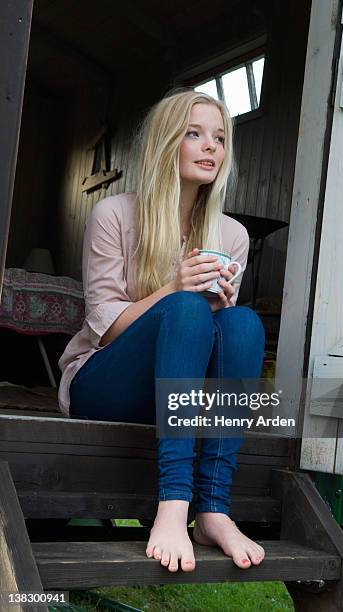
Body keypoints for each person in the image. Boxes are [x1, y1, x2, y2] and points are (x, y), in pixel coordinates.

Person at [58, 89, 266, 573]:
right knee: (187, 310)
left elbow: (210, 336)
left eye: (219, 137)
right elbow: (104, 329)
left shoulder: (232, 235)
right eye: (194, 134)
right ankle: (174, 504)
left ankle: (213, 507)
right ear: (166, 142)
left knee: (242, 323)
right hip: (104, 383)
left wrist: (217, 306)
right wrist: (175, 289)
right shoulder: (114, 215)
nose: (210, 147)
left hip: (176, 386)